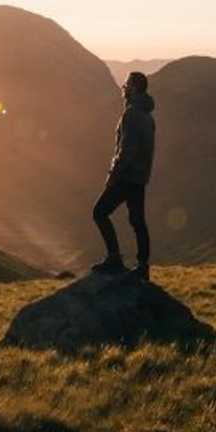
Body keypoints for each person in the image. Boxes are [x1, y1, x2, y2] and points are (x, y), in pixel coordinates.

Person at [91, 71, 156, 280]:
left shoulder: (131, 114)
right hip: (139, 178)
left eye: (126, 84)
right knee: (137, 220)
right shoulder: (148, 116)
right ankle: (143, 266)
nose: (123, 88)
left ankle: (114, 258)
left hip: (125, 177)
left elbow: (125, 150)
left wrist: (113, 174)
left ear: (134, 88)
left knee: (99, 212)